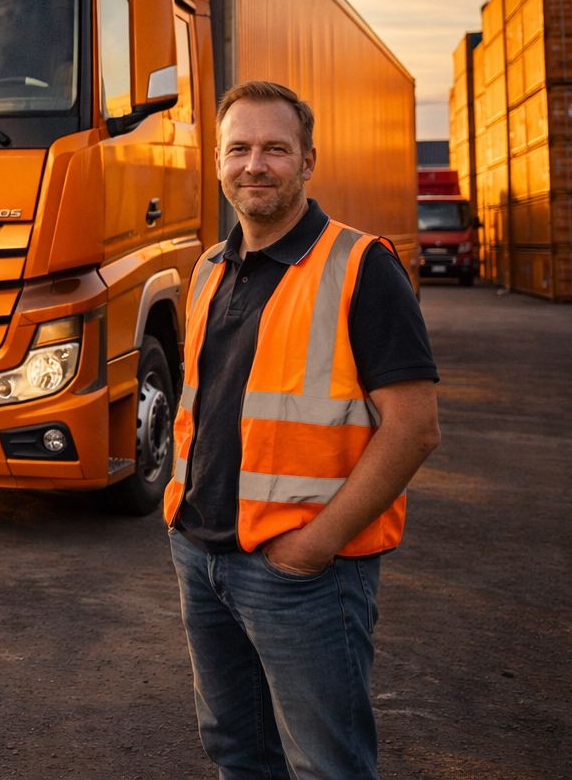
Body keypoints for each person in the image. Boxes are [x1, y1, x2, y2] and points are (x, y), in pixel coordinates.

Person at [164, 80, 441, 780]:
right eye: (239, 148)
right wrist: (184, 528)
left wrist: (315, 547)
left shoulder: (361, 267)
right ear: (219, 163)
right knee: (237, 754)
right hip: (204, 556)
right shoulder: (210, 268)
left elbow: (413, 429)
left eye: (275, 149)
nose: (255, 164)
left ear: (308, 162)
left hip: (301, 575)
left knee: (327, 767)